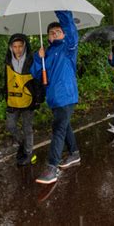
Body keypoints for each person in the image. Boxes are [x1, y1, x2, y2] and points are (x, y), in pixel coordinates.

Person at [31, 10, 81, 184]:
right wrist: (39, 58)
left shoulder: (68, 48)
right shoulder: (47, 53)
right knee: (64, 126)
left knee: (58, 128)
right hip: (53, 98)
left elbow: (72, 32)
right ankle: (74, 153)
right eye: (51, 33)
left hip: (66, 96)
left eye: (58, 32)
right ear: (48, 37)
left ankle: (52, 167)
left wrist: (61, 10)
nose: (54, 34)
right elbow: (36, 74)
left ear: (63, 34)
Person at [5, 34, 43, 166]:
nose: (18, 49)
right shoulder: (8, 61)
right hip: (13, 99)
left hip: (29, 98)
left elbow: (37, 78)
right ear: (11, 48)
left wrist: (38, 98)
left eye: (20, 46)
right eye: (15, 47)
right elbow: (7, 80)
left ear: (25, 46)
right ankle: (23, 145)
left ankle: (28, 153)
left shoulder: (32, 59)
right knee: (10, 126)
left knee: (27, 128)